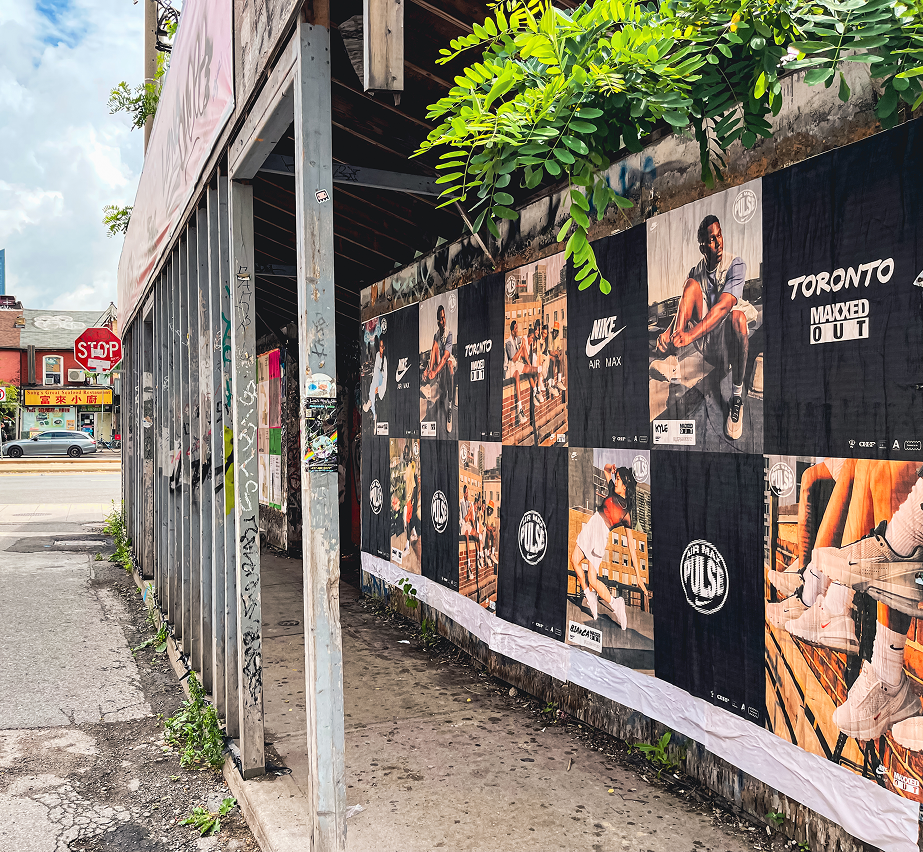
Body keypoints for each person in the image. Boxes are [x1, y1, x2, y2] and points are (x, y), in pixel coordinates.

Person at [655, 215, 750, 441]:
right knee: (690, 285)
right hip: (705, 342)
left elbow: (723, 307)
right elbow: (684, 309)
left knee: (739, 319)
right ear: (702, 247)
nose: (718, 243)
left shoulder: (735, 264)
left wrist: (689, 336)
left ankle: (736, 398)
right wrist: (668, 335)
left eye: (719, 236)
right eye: (711, 239)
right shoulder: (695, 272)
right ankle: (674, 361)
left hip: (726, 342)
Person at [571, 464, 651, 629]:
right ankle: (590, 596)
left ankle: (616, 604)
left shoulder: (626, 515)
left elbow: (631, 547)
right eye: (617, 478)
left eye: (619, 479)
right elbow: (606, 470)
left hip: (601, 534)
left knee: (593, 579)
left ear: (625, 485)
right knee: (574, 560)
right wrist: (611, 468)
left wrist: (639, 578)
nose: (616, 481)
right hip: (592, 524)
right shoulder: (611, 490)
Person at [423, 305, 456, 434]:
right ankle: (434, 387)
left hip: (448, 361)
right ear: (437, 321)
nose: (442, 321)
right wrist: (428, 369)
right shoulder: (436, 335)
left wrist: (435, 371)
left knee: (449, 365)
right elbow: (433, 353)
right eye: (440, 319)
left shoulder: (449, 333)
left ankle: (450, 408)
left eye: (443, 318)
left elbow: (446, 356)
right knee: (435, 345)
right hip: (438, 364)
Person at [362, 336, 387, 424]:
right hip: (374, 389)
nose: (381, 348)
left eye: (382, 346)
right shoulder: (377, 357)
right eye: (380, 346)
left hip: (378, 388)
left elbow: (384, 378)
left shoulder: (384, 361)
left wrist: (379, 389)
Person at [460, 485, 477, 580]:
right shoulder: (462, 503)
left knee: (477, 535)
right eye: (466, 493)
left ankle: (480, 556)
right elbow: (465, 519)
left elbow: (471, 519)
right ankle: (469, 566)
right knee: (466, 535)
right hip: (462, 525)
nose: (467, 494)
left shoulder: (469, 503)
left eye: (468, 492)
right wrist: (470, 511)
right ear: (464, 493)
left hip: (468, 524)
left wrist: (471, 512)